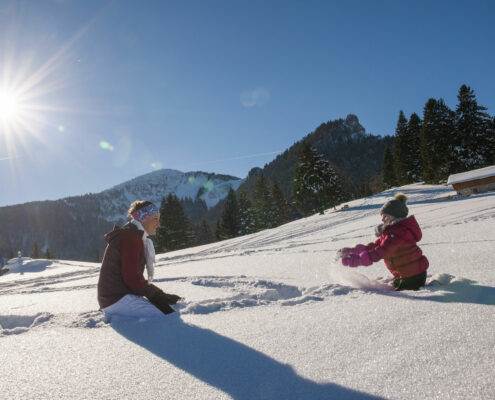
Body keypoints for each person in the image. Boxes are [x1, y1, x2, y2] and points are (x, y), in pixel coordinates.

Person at [97, 200, 181, 320]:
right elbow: (133, 279)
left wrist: (156, 295)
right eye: (155, 219)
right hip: (116, 299)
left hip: (116, 297)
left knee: (167, 309)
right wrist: (157, 294)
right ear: (143, 218)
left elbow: (132, 279)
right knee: (167, 316)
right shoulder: (130, 238)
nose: (158, 224)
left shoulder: (132, 235)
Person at [337, 193, 429, 290]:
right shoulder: (391, 231)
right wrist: (353, 251)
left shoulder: (399, 233)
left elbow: (381, 251)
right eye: (382, 216)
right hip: (405, 273)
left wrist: (359, 260)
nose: (382, 219)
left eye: (385, 216)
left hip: (413, 275)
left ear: (396, 216)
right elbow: (376, 245)